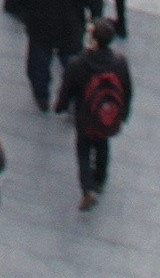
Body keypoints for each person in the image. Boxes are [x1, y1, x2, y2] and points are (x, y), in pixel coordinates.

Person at [57, 29, 133, 206]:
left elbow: (67, 89)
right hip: (107, 116)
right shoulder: (120, 63)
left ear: (93, 40)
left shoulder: (79, 63)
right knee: (102, 145)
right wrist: (123, 114)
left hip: (85, 117)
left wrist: (60, 106)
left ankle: (87, 189)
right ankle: (100, 180)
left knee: (83, 152)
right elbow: (127, 89)